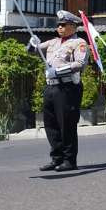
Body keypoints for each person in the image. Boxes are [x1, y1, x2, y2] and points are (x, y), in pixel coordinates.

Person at [32, 11, 88, 171]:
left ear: (73, 26)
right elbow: (33, 51)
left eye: (63, 25)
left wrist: (58, 71)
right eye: (58, 25)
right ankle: (57, 158)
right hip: (51, 87)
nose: (60, 27)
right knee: (51, 124)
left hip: (67, 87)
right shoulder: (53, 42)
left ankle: (69, 160)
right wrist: (32, 43)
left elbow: (80, 64)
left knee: (67, 124)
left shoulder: (79, 43)